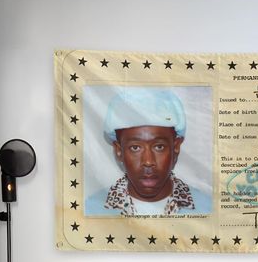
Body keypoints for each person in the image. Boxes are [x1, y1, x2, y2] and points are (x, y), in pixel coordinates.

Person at [85, 88, 212, 216]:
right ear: (119, 150)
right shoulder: (92, 210)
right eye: (135, 148)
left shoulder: (207, 208)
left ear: (176, 147)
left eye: (159, 147)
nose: (148, 161)